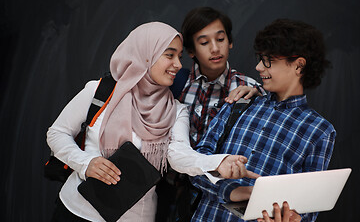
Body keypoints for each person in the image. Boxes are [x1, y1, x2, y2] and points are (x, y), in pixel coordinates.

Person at [47, 22, 252, 222]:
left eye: (179, 57)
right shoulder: (100, 91)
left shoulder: (176, 110)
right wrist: (85, 163)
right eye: (169, 55)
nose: (179, 65)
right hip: (76, 211)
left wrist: (217, 162)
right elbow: (57, 133)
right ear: (146, 55)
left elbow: (179, 155)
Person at [190, 18, 336, 222]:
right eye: (260, 58)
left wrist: (293, 218)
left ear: (298, 66)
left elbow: (309, 208)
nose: (258, 67)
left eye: (268, 61)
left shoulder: (320, 131)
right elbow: (195, 165)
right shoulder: (239, 103)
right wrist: (234, 191)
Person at [157, 7, 264, 222]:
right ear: (190, 51)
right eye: (204, 43)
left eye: (221, 39)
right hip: (169, 192)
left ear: (230, 41)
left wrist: (259, 93)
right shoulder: (176, 83)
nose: (215, 48)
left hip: (217, 197)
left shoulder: (248, 88)